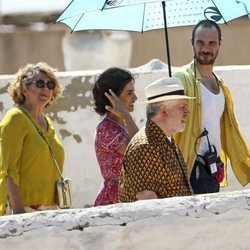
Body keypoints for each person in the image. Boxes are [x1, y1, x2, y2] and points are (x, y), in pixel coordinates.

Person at [173, 19, 250, 194]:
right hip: (191, 165)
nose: (205, 48)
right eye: (200, 42)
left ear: (220, 43)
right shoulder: (182, 78)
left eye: (211, 43)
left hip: (213, 166)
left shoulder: (221, 85)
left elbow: (231, 131)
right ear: (192, 43)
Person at [0, 62, 64, 215]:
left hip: (50, 207)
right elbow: (8, 170)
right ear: (24, 88)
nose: (46, 88)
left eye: (50, 84)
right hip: (24, 208)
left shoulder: (47, 122)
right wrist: (18, 210)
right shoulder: (15, 118)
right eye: (40, 83)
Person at [118, 77, 194, 202]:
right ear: (163, 111)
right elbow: (147, 204)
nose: (187, 113)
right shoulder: (145, 147)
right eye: (182, 107)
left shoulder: (166, 139)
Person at [92, 67, 138, 206]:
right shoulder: (106, 129)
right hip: (115, 200)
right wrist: (126, 115)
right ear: (113, 97)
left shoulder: (122, 125)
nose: (135, 98)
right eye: (129, 93)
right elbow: (140, 150)